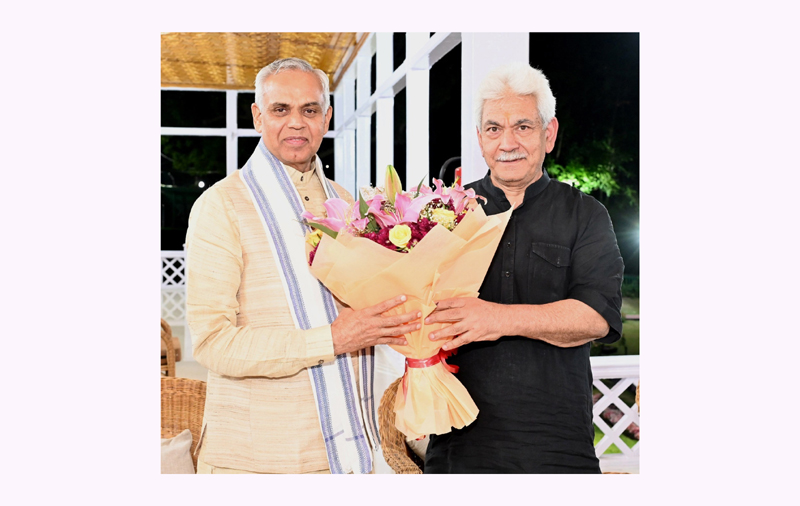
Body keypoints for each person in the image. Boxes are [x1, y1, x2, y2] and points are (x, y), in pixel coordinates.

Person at [185, 57, 420, 474]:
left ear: (326, 118)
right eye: (281, 109)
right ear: (257, 116)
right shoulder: (221, 206)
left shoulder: (348, 203)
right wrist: (329, 339)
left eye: (309, 110)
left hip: (353, 446)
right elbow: (211, 343)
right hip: (258, 459)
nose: (296, 122)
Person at [422, 62, 625, 473]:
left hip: (556, 447)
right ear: (479, 140)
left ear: (548, 134)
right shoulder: (446, 212)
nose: (507, 142)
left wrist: (496, 318)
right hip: (458, 446)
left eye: (523, 127)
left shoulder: (585, 215)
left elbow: (596, 317)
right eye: (494, 129)